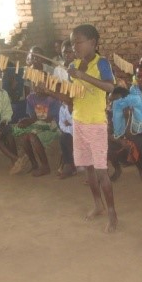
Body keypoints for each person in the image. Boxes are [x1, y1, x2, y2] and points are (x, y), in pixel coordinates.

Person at [68, 24, 118, 233]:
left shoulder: (102, 63)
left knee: (101, 171)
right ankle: (98, 205)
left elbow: (110, 87)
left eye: (78, 42)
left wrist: (83, 75)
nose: (74, 46)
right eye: (72, 43)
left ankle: (113, 213)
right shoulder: (75, 64)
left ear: (93, 43)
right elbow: (74, 95)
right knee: (88, 168)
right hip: (78, 122)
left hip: (96, 124)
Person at [12, 88, 61, 177]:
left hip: (52, 127)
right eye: (36, 83)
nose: (38, 87)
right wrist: (28, 120)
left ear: (48, 85)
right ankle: (34, 164)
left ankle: (45, 166)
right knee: (24, 136)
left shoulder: (54, 99)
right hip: (38, 124)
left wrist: (30, 121)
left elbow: (49, 119)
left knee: (32, 136)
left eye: (41, 84)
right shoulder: (31, 98)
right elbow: (33, 116)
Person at [108, 86, 142, 183]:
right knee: (109, 147)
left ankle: (141, 170)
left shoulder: (131, 104)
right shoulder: (114, 106)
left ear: (118, 96)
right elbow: (112, 128)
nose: (110, 101)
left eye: (112, 97)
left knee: (132, 145)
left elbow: (130, 133)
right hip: (121, 134)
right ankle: (117, 169)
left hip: (133, 133)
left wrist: (128, 117)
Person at [53, 39, 76, 179]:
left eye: (70, 52)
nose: (67, 55)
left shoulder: (80, 68)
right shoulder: (58, 69)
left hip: (79, 106)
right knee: (64, 136)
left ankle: (90, 168)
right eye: (64, 52)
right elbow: (57, 88)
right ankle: (69, 164)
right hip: (65, 107)